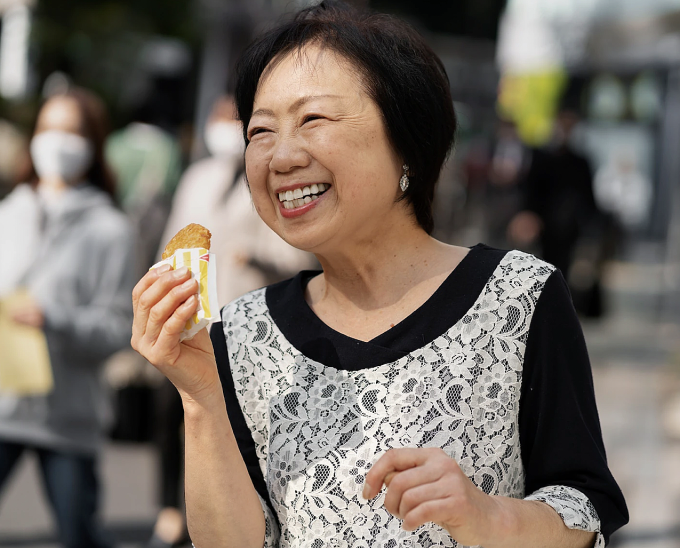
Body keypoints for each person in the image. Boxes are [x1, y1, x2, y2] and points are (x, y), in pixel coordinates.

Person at [131, 2, 628, 547]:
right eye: (260, 131)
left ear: (406, 138)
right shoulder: (241, 332)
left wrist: (486, 517)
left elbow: (581, 512)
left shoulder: (518, 297)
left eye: (313, 119)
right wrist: (202, 398)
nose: (281, 156)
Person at [147, 95, 314, 548]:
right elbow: (174, 236)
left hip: (241, 321)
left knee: (233, 426)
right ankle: (169, 509)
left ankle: (238, 516)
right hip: (189, 317)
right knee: (170, 415)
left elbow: (298, 255)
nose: (223, 126)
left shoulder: (267, 180)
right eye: (219, 117)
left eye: (234, 119)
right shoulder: (199, 176)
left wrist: (255, 256)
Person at [0, 88, 136, 547]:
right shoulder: (8, 214)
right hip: (4, 405)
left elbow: (117, 329)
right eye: (48, 129)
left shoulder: (111, 231)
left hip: (68, 416)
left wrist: (53, 317)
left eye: (72, 131)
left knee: (78, 535)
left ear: (93, 144)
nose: (57, 142)